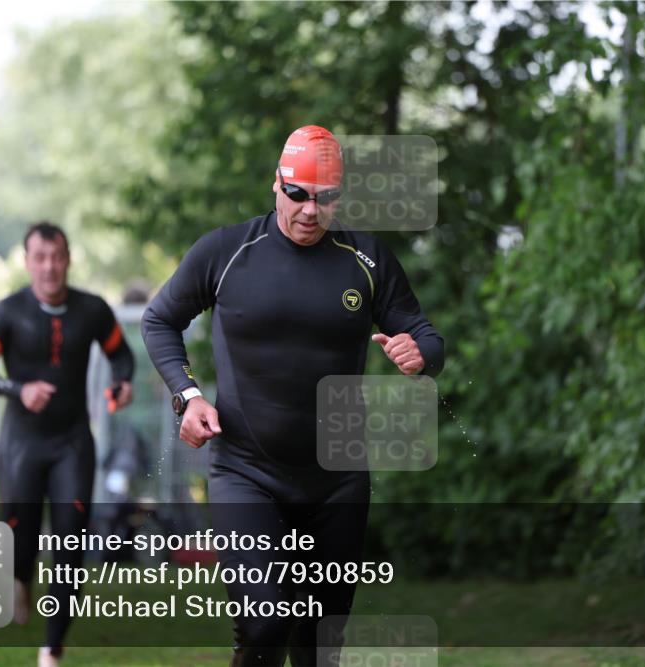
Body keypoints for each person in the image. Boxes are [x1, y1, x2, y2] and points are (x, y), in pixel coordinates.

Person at [142, 125, 444, 666]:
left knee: (318, 646)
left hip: (337, 481)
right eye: (298, 194)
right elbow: (160, 319)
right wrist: (187, 396)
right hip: (246, 472)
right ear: (276, 186)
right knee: (264, 625)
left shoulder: (367, 259)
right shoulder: (227, 252)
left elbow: (425, 335)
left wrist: (420, 354)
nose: (310, 210)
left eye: (325, 198)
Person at [0, 221, 135, 667]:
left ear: (68, 259)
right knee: (21, 542)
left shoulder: (92, 310)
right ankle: (19, 577)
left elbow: (121, 354)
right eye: (40, 258)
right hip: (21, 445)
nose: (49, 267)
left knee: (70, 545)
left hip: (72, 444)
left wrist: (122, 383)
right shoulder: (8, 312)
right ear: (27, 261)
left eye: (57, 257)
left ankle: (52, 650)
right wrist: (18, 389)